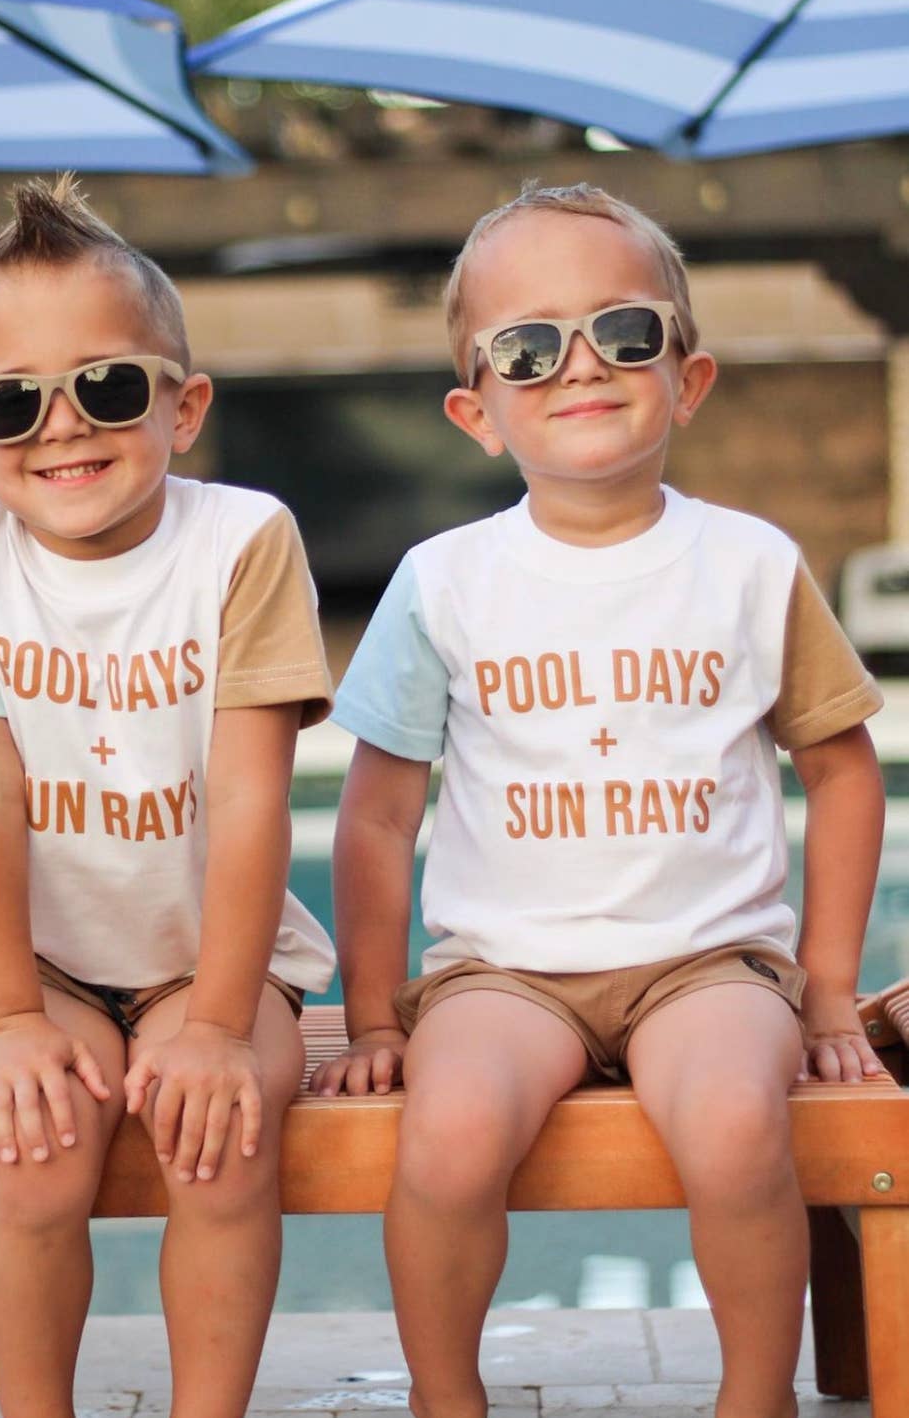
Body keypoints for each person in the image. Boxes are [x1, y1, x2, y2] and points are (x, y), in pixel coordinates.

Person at [311, 183, 886, 1418]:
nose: (580, 364)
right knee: (449, 1134)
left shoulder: (752, 565)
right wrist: (371, 1015)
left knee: (736, 1123)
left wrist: (830, 987)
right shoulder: (444, 580)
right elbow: (377, 818)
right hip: (503, 973)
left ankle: (755, 1399)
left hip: (709, 963)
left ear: (689, 376)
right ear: (476, 410)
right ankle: (446, 1398)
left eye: (624, 332)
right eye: (528, 347)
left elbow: (843, 773)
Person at [0, 175, 335, 1418]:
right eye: (12, 400)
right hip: (34, 963)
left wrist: (219, 1025)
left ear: (184, 406)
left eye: (111, 387)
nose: (62, 426)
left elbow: (250, 802)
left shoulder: (244, 540)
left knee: (223, 1144)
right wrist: (12, 1017)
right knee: (33, 1149)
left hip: (216, 962)